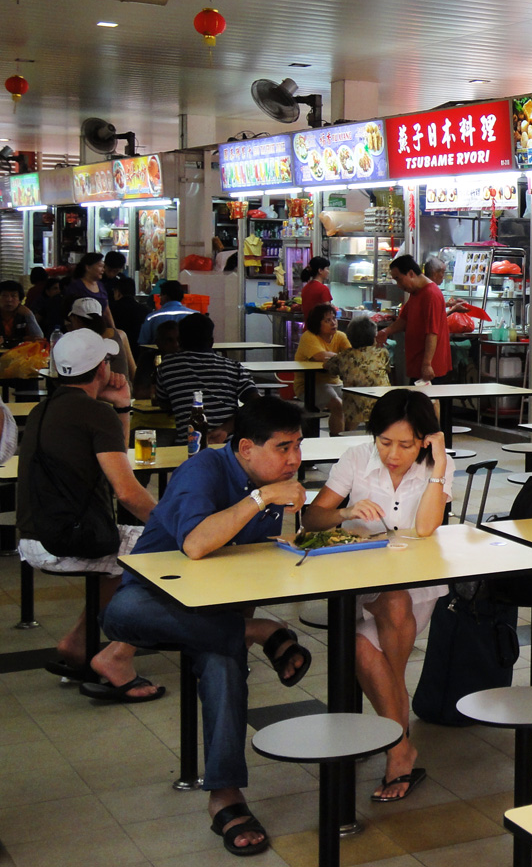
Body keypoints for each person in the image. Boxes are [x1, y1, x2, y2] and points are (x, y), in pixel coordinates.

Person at [99, 396, 313, 857]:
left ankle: (226, 795)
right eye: (283, 448)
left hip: (214, 612)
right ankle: (260, 637)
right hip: (155, 594)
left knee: (223, 661)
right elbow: (196, 546)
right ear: (246, 449)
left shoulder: (274, 479)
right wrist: (260, 499)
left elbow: (256, 562)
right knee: (118, 615)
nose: (295, 459)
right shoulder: (204, 472)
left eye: (298, 446)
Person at [303, 390, 451, 801]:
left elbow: (425, 529)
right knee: (367, 640)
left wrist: (437, 467)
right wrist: (345, 512)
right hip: (359, 579)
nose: (393, 454)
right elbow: (312, 517)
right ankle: (400, 746)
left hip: (417, 586)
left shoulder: (438, 465)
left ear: (425, 439)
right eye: (384, 442)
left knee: (390, 607)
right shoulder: (355, 458)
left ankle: (395, 743)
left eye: (405, 445)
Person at [17, 329, 162, 701]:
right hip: (69, 540)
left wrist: (121, 407)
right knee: (162, 550)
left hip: (32, 538)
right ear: (101, 368)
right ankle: (118, 656)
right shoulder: (94, 414)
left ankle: (79, 643)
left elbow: (114, 464)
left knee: (120, 557)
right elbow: (128, 492)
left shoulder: (42, 408)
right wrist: (172, 524)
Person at [156, 313, 259, 444]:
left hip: (188, 447)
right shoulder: (234, 367)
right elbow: (257, 405)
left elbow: (164, 404)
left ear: (180, 341)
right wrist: (225, 428)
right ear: (211, 342)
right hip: (228, 448)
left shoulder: (167, 366)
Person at [376, 254, 452, 384]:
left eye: (398, 279)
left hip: (431, 369)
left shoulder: (431, 294)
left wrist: (427, 364)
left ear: (411, 273)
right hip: (418, 365)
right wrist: (386, 332)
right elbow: (404, 320)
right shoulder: (415, 293)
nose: (398, 285)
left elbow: (432, 333)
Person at [323, 315, 391, 432]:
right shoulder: (382, 353)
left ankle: (344, 436)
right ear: (374, 337)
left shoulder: (344, 356)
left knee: (351, 403)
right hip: (382, 402)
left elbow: (329, 368)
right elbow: (388, 369)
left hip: (354, 404)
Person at [294, 302, 349, 435]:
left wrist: (340, 357)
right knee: (338, 405)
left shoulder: (340, 336)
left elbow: (351, 355)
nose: (333, 323)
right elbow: (320, 356)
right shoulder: (309, 337)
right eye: (327, 320)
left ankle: (345, 437)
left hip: (335, 383)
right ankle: (337, 442)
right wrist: (341, 356)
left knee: (358, 405)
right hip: (308, 385)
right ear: (317, 323)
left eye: (334, 319)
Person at [66, 297, 135, 381]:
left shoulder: (78, 343)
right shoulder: (120, 335)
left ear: (76, 320)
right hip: (124, 391)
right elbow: (133, 371)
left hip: (92, 393)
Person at [64, 252, 117, 329]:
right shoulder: (76, 287)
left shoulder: (101, 286)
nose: (103, 270)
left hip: (100, 329)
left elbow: (106, 310)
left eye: (103, 266)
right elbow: (68, 313)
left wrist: (113, 329)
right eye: (100, 266)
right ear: (88, 267)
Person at [138, 280, 196, 345]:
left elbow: (143, 343)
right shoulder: (195, 316)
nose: (160, 298)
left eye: (160, 295)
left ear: (165, 296)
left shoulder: (151, 318)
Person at [109, 275, 149, 352]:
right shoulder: (146, 310)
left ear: (118, 292)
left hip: (117, 350)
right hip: (138, 351)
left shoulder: (111, 309)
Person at [0, 279, 43, 347]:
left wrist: (29, 315)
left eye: (13, 296)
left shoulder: (24, 314)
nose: (9, 300)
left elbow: (39, 338)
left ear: (19, 300)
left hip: (21, 354)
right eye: (4, 295)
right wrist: (22, 339)